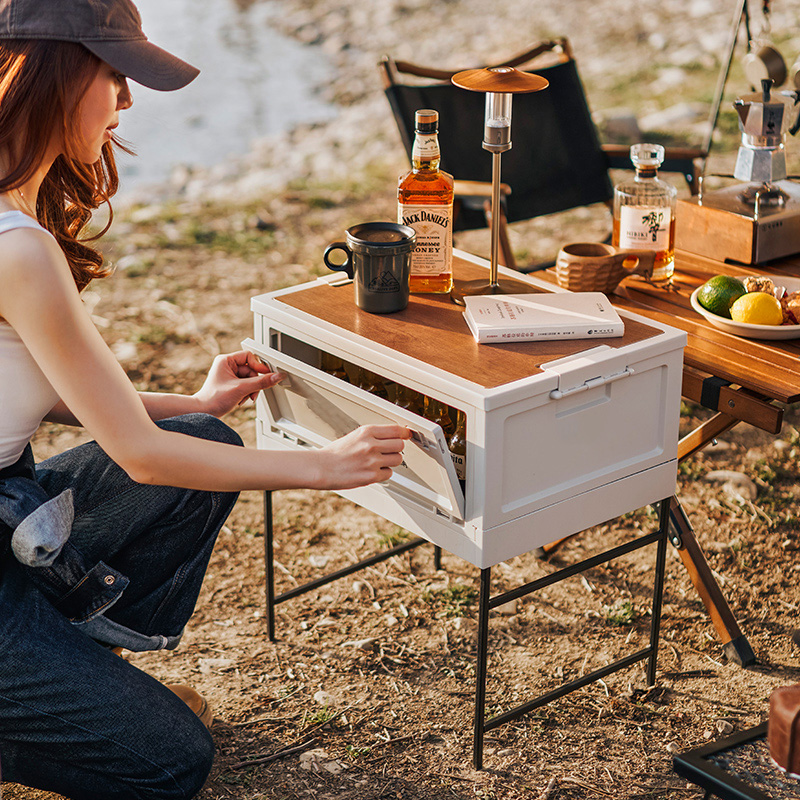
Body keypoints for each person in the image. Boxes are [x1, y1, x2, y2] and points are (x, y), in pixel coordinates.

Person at [0, 1, 410, 798]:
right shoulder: (19, 250)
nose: (125, 101)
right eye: (113, 75)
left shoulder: (15, 226)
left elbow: (41, 396)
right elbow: (140, 456)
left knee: (204, 441)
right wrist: (325, 467)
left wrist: (195, 400)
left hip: (11, 509)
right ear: (57, 74)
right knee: (169, 760)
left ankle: (59, 679)